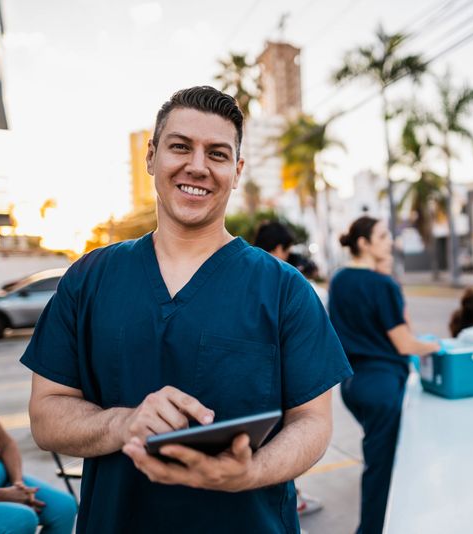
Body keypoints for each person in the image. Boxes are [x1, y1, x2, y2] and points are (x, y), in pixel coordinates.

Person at [20, 86, 352, 533]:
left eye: (217, 153)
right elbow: (46, 415)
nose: (197, 166)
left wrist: (251, 471)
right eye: (180, 147)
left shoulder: (284, 289)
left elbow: (312, 422)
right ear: (151, 157)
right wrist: (124, 422)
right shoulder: (89, 278)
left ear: (236, 172)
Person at [328, 216, 440, 534]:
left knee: (385, 465)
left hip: (352, 386)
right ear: (363, 243)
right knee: (382, 473)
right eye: (381, 235)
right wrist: (434, 346)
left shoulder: (339, 280)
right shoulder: (383, 285)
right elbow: (405, 342)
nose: (389, 240)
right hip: (382, 387)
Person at [0, 327, 77, 533]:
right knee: (21, 519)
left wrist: (17, 482)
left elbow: (6, 443)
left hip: (4, 480)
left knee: (64, 507)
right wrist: (5, 495)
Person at [252, 220, 324, 516]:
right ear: (280, 249)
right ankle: (292, 497)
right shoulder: (284, 282)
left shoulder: (241, 275)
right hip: (277, 383)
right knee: (283, 440)